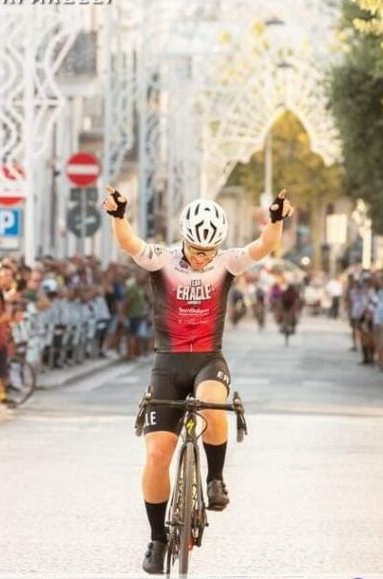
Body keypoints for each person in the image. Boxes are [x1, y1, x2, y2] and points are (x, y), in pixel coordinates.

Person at [103, 185, 293, 574]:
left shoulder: (227, 261)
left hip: (209, 358)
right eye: (196, 248)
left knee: (211, 404)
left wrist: (275, 220)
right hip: (167, 364)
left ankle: (216, 479)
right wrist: (119, 216)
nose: (203, 256)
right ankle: (157, 540)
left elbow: (262, 247)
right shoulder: (164, 259)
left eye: (209, 250)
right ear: (184, 239)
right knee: (156, 455)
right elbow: (129, 243)